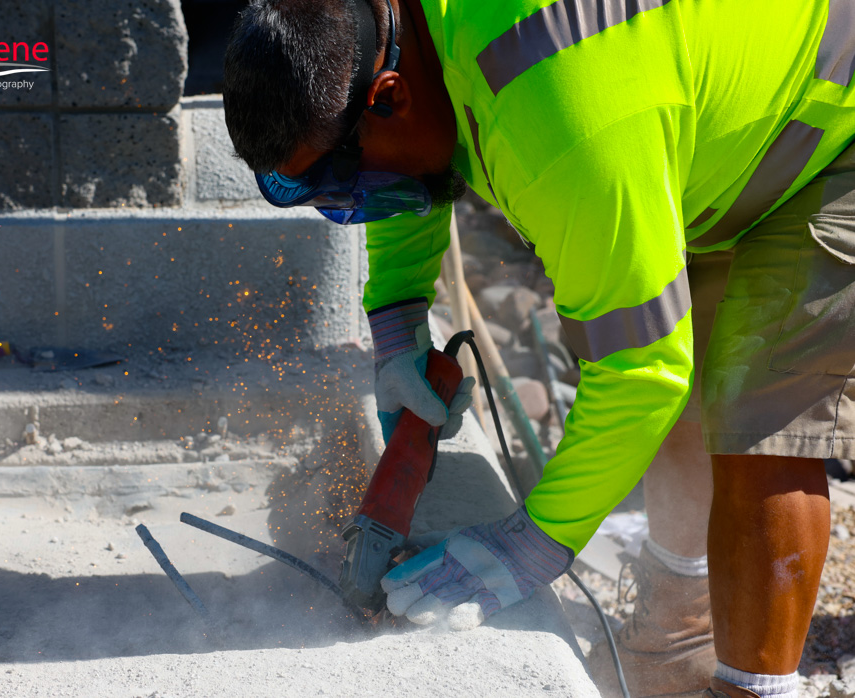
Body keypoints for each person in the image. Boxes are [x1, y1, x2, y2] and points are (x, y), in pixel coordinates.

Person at [221, 1, 855, 696]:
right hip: (719, 124)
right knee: (684, 389)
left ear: (389, 95)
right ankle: (675, 641)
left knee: (751, 418)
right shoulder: (404, 35)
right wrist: (398, 322)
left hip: (834, 122)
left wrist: (530, 545)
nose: (358, 206)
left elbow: (640, 374)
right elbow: (405, 171)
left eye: (345, 188)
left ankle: (750, 689)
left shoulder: (560, 121)